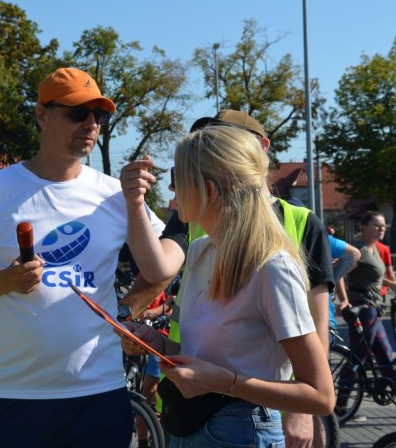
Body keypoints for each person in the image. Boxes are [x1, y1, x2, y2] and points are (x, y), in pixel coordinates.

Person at [0, 67, 165, 448]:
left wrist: (124, 312)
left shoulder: (115, 195)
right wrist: (3, 280)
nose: (90, 124)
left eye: (98, 115)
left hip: (97, 394)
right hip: (11, 395)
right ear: (41, 115)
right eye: (77, 112)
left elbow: (164, 266)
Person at [119, 110, 334, 446]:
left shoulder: (272, 267)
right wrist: (155, 344)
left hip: (241, 429)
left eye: (179, 178)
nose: (173, 190)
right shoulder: (201, 250)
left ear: (208, 189)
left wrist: (224, 382)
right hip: (189, 424)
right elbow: (191, 349)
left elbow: (321, 396)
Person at [335, 211, 396, 414]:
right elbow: (339, 273)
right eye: (377, 225)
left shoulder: (375, 249)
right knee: (359, 356)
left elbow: (376, 276)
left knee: (386, 357)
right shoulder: (360, 250)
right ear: (364, 226)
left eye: (384, 226)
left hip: (374, 309)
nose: (381, 229)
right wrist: (344, 299)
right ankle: (341, 403)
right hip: (363, 308)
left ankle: (385, 393)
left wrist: (393, 284)